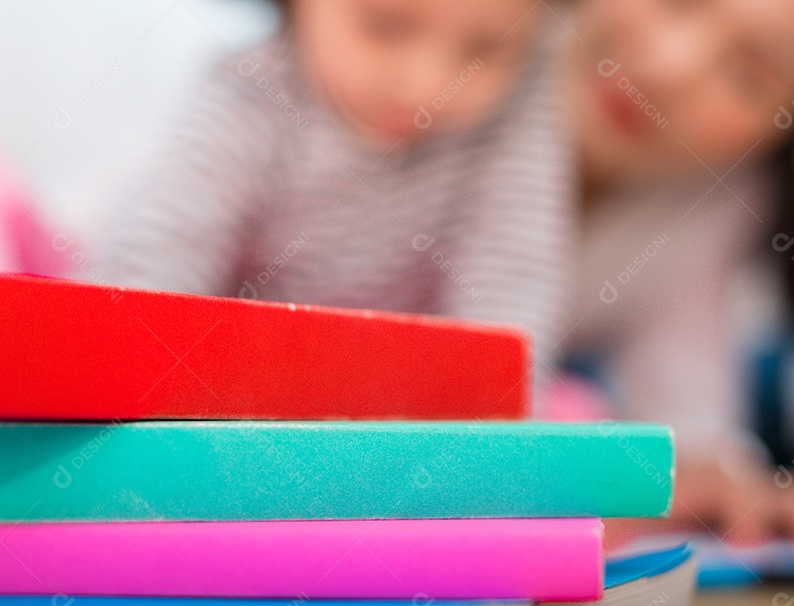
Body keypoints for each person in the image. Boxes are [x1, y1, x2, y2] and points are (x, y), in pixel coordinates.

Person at [555, 0, 794, 543]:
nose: (667, 68)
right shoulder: (431, 56)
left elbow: (687, 423)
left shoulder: (716, 196)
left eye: (748, 74)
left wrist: (726, 480)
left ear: (787, 127)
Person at [97, 0, 573, 370]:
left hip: (383, 410)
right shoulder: (252, 94)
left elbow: (510, 312)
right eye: (386, 26)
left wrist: (490, 471)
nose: (425, 86)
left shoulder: (513, 116)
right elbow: (148, 281)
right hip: (226, 393)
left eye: (484, 51)